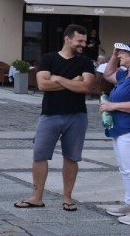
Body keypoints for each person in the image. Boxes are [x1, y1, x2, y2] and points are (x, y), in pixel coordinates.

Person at [15, 24, 95, 212]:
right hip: (49, 115)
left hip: (77, 116)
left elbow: (86, 88)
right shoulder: (49, 58)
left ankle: (67, 198)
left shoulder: (85, 62)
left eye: (85, 41)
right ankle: (36, 197)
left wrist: (58, 79)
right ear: (68, 39)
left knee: (71, 157)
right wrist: (71, 82)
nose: (83, 44)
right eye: (80, 41)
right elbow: (43, 85)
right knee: (40, 155)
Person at [101, 43, 130, 223]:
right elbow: (107, 74)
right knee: (124, 169)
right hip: (119, 128)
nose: (120, 56)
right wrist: (113, 56)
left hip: (128, 128)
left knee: (129, 169)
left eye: (123, 54)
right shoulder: (124, 76)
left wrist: (113, 106)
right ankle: (128, 203)